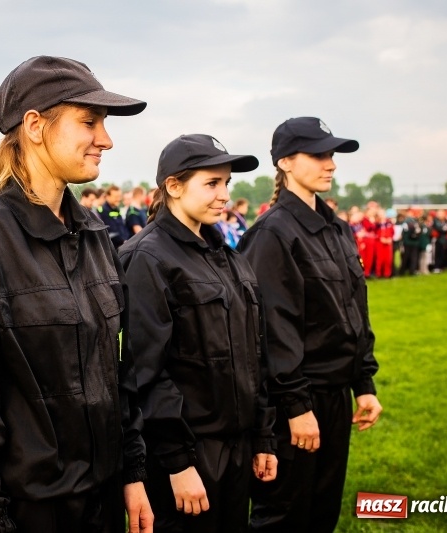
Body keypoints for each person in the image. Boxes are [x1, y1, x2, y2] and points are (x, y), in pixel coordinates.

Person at [0, 55, 153, 533]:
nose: (106, 139)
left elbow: (112, 372)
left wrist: (132, 471)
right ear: (36, 126)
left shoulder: (94, 236)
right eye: (89, 122)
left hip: (101, 502)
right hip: (25, 512)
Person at [119, 134, 277, 532]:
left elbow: (253, 353)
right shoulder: (147, 258)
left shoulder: (228, 258)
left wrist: (262, 436)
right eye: (212, 183)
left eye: (227, 183)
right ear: (173, 186)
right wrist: (179, 463)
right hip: (189, 455)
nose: (224, 194)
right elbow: (147, 373)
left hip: (238, 448)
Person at [237, 117, 382, 532]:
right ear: (285, 162)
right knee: (284, 515)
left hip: (335, 396)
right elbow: (272, 328)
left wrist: (364, 384)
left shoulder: (336, 228)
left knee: (322, 512)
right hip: (296, 404)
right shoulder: (273, 233)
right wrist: (297, 406)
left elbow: (354, 309)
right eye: (318, 154)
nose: (331, 163)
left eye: (331, 154)